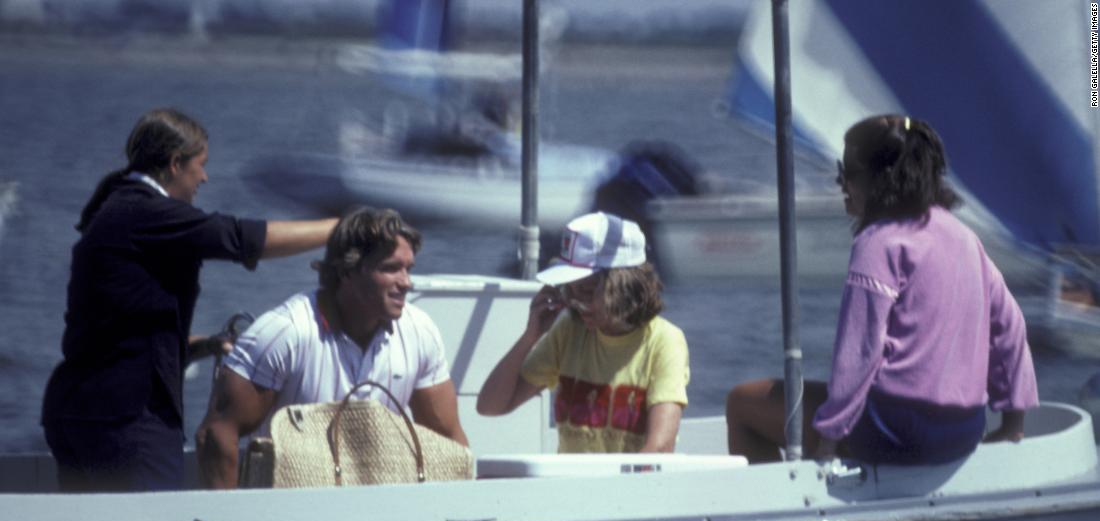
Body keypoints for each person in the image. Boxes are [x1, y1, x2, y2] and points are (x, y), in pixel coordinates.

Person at [41, 108, 340, 492]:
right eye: (201, 165)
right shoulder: (146, 213)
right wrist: (338, 228)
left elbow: (121, 333)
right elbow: (239, 238)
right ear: (174, 163)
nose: (205, 177)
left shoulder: (116, 207)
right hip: (125, 420)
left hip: (82, 411)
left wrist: (205, 345)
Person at [725, 114, 1038, 465]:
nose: (841, 184)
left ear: (882, 180)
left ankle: (783, 511)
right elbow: (1010, 326)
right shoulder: (965, 237)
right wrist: (1013, 422)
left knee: (741, 402)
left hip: (897, 430)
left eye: (849, 174)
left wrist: (829, 438)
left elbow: (860, 352)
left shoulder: (877, 243)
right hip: (963, 430)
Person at [196, 207, 468, 489]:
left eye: (408, 269)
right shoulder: (285, 332)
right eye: (390, 268)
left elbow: (448, 440)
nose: (406, 282)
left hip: (379, 503)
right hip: (289, 506)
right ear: (347, 271)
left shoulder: (419, 331)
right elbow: (215, 434)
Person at [477, 211, 689, 453]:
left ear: (624, 286)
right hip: (572, 487)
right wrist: (531, 336)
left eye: (587, 292)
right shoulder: (569, 331)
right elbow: (490, 406)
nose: (576, 303)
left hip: (629, 487)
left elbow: (660, 447)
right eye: (570, 291)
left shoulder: (664, 341)